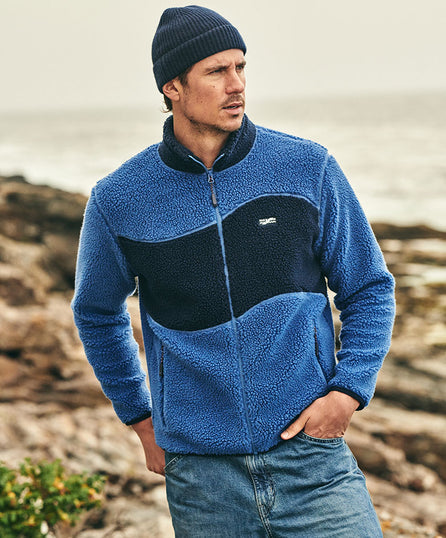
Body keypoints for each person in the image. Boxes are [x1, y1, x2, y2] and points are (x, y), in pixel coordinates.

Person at [72, 5, 395, 537]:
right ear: (172, 87)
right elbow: (96, 312)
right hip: (202, 479)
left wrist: (347, 392)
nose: (236, 84)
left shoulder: (306, 167)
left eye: (241, 67)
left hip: (310, 459)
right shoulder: (120, 200)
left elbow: (369, 287)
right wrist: (140, 418)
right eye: (217, 71)